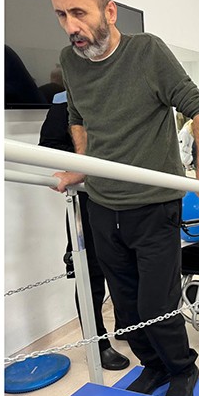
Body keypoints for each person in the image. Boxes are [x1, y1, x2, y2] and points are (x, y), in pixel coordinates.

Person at [48, 0, 199, 396]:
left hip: (152, 205)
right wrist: (81, 168)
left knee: (155, 304)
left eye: (79, 13)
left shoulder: (147, 52)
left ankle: (182, 368)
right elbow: (77, 118)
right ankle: (153, 365)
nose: (71, 26)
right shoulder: (70, 60)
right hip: (101, 204)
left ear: (109, 12)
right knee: (126, 305)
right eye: (61, 15)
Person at [37, 90, 129, 372]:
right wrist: (86, 164)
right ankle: (97, 343)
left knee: (124, 264)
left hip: (124, 196)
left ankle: (127, 324)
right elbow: (48, 146)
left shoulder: (116, 92)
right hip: (87, 199)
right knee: (91, 272)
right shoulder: (64, 101)